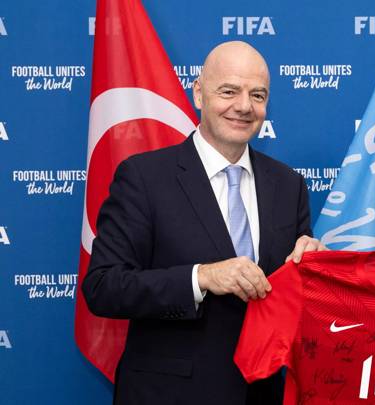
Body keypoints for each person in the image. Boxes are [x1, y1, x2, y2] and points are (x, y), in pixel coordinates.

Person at [83, 41, 324, 405]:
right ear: (198, 92)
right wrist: (202, 277)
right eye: (229, 91)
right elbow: (104, 286)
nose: (244, 106)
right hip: (170, 394)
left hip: (263, 394)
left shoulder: (288, 185)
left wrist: (314, 269)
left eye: (257, 95)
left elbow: (293, 300)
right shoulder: (144, 177)